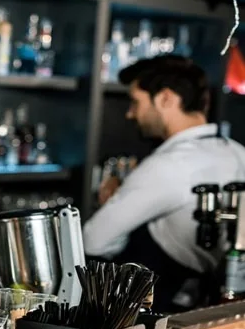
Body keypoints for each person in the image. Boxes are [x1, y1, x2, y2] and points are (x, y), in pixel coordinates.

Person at [84, 55, 245, 312]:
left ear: (165, 98)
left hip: (172, 315)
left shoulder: (170, 164)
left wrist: (113, 201)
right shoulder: (237, 152)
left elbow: (93, 241)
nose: (130, 113)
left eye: (136, 102)